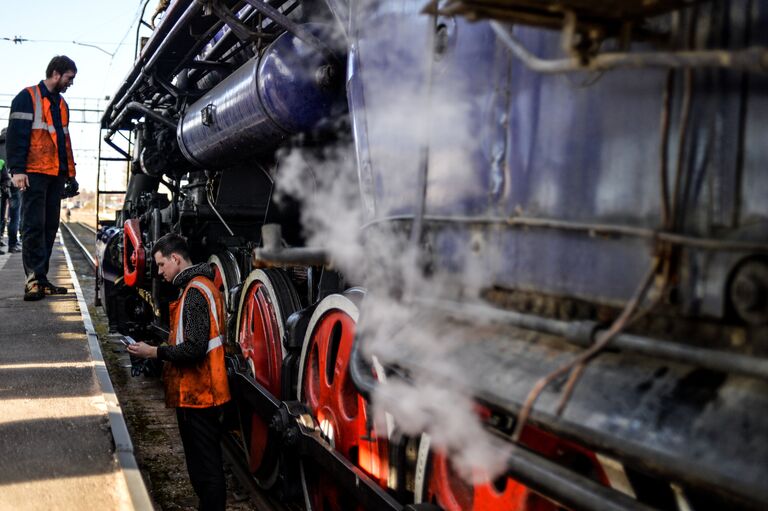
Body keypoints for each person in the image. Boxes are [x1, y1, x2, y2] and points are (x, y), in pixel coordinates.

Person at [128, 233, 230, 511]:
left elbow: (194, 348)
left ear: (175, 259)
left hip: (200, 392)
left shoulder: (195, 292)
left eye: (162, 265)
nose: (159, 272)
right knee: (202, 467)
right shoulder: (199, 287)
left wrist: (154, 352)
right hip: (199, 390)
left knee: (206, 470)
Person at [6, 55, 79, 300]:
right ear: (56, 73)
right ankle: (32, 281)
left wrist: (70, 174)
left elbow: (64, 142)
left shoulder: (62, 104)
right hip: (34, 173)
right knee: (33, 226)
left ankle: (42, 277)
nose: (71, 83)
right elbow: (16, 137)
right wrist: (17, 170)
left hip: (55, 175)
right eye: (69, 78)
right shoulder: (27, 97)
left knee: (49, 227)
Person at [0, 128, 21, 254]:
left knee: (1, 214)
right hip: (13, 180)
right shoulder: (16, 143)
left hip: (1, 182)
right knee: (15, 215)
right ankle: (12, 245)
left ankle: (1, 239)